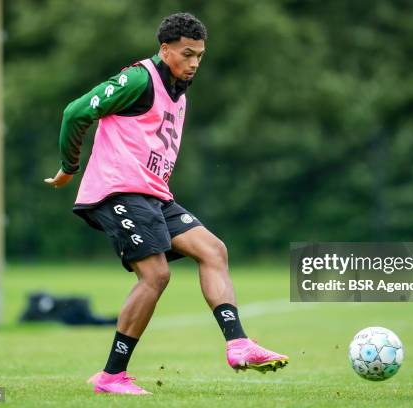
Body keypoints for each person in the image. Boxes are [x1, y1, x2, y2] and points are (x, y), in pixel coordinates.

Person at [44, 12, 288, 395]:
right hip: (118, 190)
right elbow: (76, 112)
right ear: (165, 49)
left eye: (200, 56)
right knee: (156, 275)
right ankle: (111, 377)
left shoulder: (180, 89)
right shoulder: (140, 78)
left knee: (213, 250)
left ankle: (239, 344)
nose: (194, 63)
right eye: (187, 54)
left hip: (153, 193)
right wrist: (68, 167)